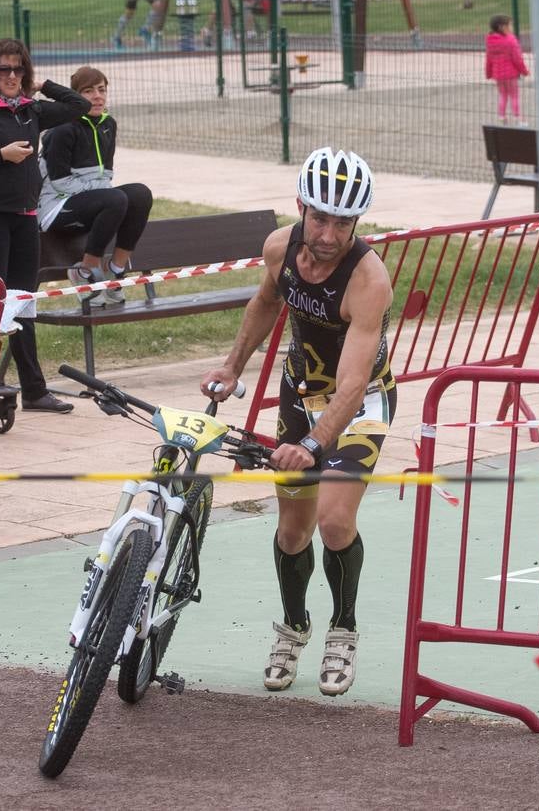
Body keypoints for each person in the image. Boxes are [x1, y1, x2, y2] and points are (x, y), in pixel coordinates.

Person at [201, 147, 397, 697]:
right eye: (320, 217)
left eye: (343, 222)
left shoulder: (368, 280)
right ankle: (293, 627)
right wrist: (231, 365)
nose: (330, 233)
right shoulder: (278, 248)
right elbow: (265, 303)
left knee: (334, 520)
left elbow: (354, 384)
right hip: (301, 394)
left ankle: (344, 628)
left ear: (358, 223)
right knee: (292, 532)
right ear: (301, 207)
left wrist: (313, 443)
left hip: (358, 406)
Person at [0, 38, 92, 414]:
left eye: (18, 69)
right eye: (4, 70)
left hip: (25, 220)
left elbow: (78, 105)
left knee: (22, 305)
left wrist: (43, 86)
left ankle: (34, 390)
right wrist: (0, 155)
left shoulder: (32, 111)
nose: (11, 76)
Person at [37, 65, 153, 306]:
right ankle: (85, 271)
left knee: (140, 194)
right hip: (55, 207)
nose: (97, 96)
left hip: (90, 201)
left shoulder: (108, 124)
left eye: (101, 90)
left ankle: (116, 270)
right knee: (115, 199)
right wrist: (100, 195)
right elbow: (60, 184)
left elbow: (106, 175)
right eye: (89, 91)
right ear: (76, 96)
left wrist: (101, 195)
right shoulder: (63, 129)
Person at [485, 14, 530, 126]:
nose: (511, 27)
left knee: (503, 95)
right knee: (514, 96)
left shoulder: (490, 41)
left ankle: (502, 116)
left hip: (498, 75)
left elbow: (488, 59)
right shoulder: (511, 40)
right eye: (510, 25)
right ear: (502, 27)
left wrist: (488, 73)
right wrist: (524, 71)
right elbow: (517, 59)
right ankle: (519, 118)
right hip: (511, 75)